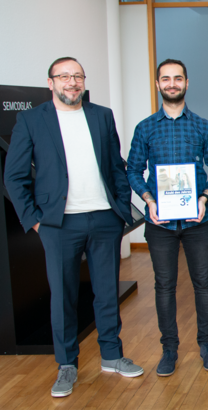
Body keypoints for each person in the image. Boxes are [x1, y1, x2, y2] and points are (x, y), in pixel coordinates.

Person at [4, 57, 143, 397]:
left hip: (104, 219)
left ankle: (112, 355)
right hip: (59, 225)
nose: (71, 82)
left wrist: (120, 208)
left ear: (84, 81)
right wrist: (35, 221)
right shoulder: (32, 120)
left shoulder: (101, 115)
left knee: (107, 292)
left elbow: (116, 166)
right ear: (50, 82)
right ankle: (67, 365)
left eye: (77, 76)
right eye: (63, 76)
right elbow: (14, 176)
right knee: (63, 296)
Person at [127, 59, 208, 377]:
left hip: (197, 222)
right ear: (158, 84)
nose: (172, 84)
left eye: (177, 78)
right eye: (165, 79)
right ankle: (169, 349)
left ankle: (206, 346)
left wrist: (205, 198)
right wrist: (149, 200)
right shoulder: (145, 128)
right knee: (164, 286)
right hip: (160, 223)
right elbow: (132, 170)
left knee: (203, 284)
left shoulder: (204, 127)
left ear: (186, 83)